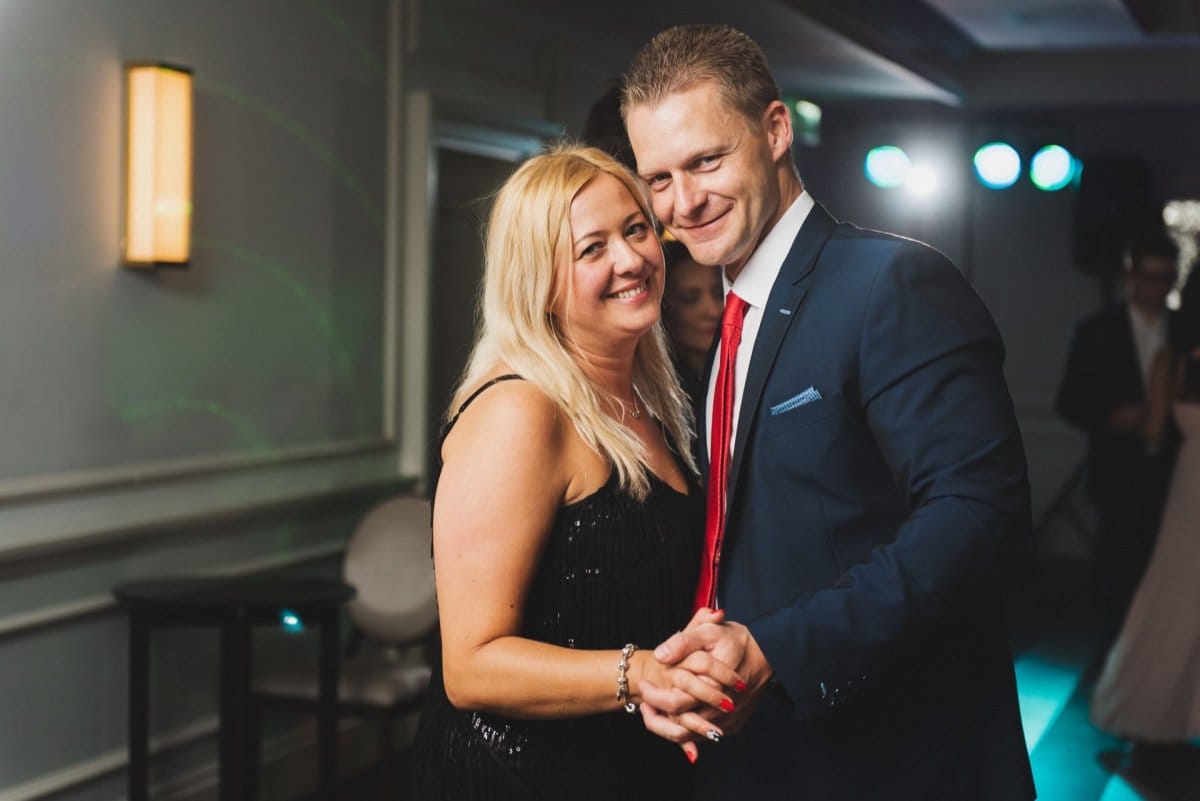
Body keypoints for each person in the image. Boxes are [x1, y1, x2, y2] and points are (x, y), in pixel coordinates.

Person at [620, 24, 1035, 800]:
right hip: (767, 755)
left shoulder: (890, 282)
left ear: (775, 130)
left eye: (707, 160)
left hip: (894, 758)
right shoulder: (726, 325)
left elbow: (982, 516)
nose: (686, 201)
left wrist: (778, 646)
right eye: (661, 178)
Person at [411, 145, 744, 801]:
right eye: (591, 248)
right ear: (540, 281)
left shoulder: (650, 401)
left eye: (636, 229)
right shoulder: (520, 409)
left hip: (624, 768)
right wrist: (640, 671)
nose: (631, 260)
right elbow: (471, 665)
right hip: (514, 777)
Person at [1091, 264, 1200, 743]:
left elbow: (1156, 432)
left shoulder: (1176, 359)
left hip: (1189, 484)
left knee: (1176, 595)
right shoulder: (1174, 359)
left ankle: (1169, 709)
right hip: (1189, 489)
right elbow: (1154, 433)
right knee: (1176, 595)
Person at [1057, 231, 1180, 617]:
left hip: (1175, 470)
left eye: (1165, 278)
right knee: (1117, 574)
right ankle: (1112, 657)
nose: (1157, 288)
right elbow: (1069, 401)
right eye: (1149, 277)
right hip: (1119, 469)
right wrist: (1111, 417)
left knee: (1169, 573)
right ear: (1131, 275)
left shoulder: (1184, 329)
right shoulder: (1098, 330)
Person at [662, 239, 723, 405]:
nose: (713, 311)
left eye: (719, 294)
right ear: (664, 309)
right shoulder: (663, 397)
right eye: (689, 299)